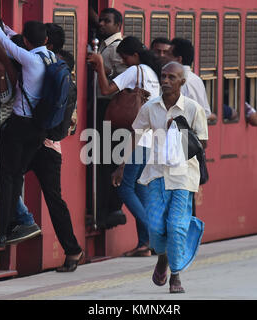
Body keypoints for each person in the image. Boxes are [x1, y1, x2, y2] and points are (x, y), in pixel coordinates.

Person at [112, 62, 208, 293]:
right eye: (163, 76)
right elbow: (136, 135)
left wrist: (179, 131)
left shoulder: (193, 109)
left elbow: (202, 144)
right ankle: (162, 258)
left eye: (171, 77)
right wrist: (122, 165)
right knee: (155, 228)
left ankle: (175, 275)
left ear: (181, 82)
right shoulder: (150, 107)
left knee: (175, 226)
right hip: (155, 175)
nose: (165, 81)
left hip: (183, 177)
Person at [87, 36, 161, 256]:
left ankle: (154, 233)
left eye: (125, 57)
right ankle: (144, 244)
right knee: (141, 190)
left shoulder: (135, 70)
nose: (124, 61)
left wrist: (100, 65)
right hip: (148, 140)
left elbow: (106, 88)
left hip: (134, 139)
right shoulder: (152, 74)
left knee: (125, 187)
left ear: (135, 56)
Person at [0, 19, 56, 246]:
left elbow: (7, 45)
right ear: (46, 40)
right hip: (39, 128)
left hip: (21, 126)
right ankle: (13, 223)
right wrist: (6, 27)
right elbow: (12, 39)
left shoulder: (31, 59)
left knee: (6, 175)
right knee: (17, 175)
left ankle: (2, 226)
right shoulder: (52, 58)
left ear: (26, 40)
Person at [88, 7, 128, 229]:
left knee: (106, 161)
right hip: (100, 106)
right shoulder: (104, 45)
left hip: (109, 107)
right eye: (100, 20)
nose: (102, 24)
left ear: (118, 25)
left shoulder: (116, 49)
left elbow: (123, 81)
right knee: (101, 160)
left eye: (107, 21)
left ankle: (110, 209)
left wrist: (103, 70)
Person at [164, 38, 213, 121]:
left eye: (169, 54)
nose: (165, 57)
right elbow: (206, 112)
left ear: (179, 59)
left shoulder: (175, 81)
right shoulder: (197, 80)